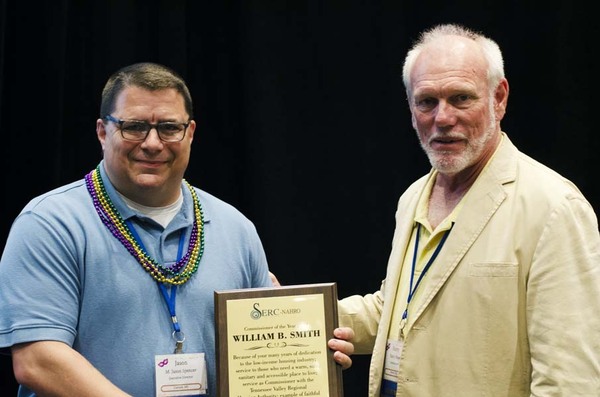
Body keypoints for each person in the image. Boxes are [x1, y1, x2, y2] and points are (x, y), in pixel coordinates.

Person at [0, 62, 353, 396]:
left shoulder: (235, 228)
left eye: (169, 128)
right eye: (134, 126)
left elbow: (266, 359)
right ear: (102, 132)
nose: (153, 143)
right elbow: (37, 361)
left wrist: (309, 353)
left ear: (190, 133)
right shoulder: (51, 224)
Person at [338, 23, 600, 396]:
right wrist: (299, 313)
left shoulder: (554, 207)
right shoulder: (414, 197)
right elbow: (398, 308)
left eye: (461, 98)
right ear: (411, 110)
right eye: (427, 101)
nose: (443, 118)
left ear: (500, 98)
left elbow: (569, 382)